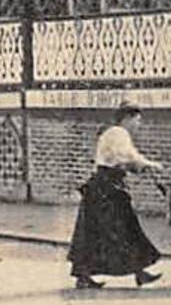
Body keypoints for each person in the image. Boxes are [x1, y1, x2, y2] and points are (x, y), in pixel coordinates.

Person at [67, 100, 165, 289]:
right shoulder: (118, 133)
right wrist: (151, 165)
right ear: (127, 118)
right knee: (115, 229)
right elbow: (127, 156)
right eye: (137, 120)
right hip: (107, 188)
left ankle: (138, 272)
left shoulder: (115, 133)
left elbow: (126, 160)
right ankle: (134, 272)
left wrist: (141, 167)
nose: (139, 124)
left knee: (115, 230)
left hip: (107, 186)